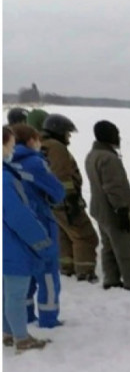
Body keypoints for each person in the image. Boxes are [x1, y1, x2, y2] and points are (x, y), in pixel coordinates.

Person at [3, 125, 54, 351]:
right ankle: (22, 339)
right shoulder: (4, 180)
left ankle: (8, 332)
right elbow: (18, 217)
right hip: (12, 246)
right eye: (10, 144)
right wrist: (41, 241)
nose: (12, 149)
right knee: (15, 292)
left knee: (7, 291)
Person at [11, 124, 65, 328]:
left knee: (25, 271)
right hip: (40, 221)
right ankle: (49, 318)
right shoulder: (35, 163)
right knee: (48, 274)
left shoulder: (6, 163)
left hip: (13, 225)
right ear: (31, 140)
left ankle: (25, 315)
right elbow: (57, 191)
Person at [41, 113, 100, 282]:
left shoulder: (43, 146)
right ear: (58, 131)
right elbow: (61, 176)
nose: (68, 137)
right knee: (85, 236)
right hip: (64, 202)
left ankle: (67, 267)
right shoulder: (57, 148)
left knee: (65, 236)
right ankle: (85, 271)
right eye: (67, 133)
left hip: (51, 202)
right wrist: (71, 199)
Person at [84, 120, 130, 290]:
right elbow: (114, 187)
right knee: (126, 247)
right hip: (112, 210)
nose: (119, 137)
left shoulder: (93, 155)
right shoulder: (108, 158)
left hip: (99, 208)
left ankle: (111, 279)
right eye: (116, 133)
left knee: (108, 246)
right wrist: (122, 209)